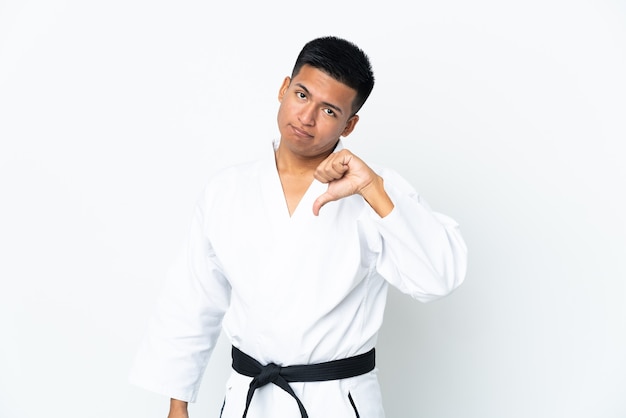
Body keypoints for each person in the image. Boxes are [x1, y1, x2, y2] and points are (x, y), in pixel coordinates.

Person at [129, 35, 468, 418]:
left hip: (337, 403)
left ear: (349, 125)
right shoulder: (226, 190)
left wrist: (372, 188)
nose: (306, 118)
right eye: (302, 95)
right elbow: (193, 301)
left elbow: (439, 278)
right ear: (284, 88)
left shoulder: (375, 191)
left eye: (328, 111)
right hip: (249, 400)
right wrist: (178, 405)